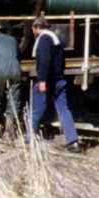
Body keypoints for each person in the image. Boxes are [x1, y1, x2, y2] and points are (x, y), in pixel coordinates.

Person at [28, 17, 81, 153]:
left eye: (32, 29)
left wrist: (42, 80)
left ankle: (29, 140)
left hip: (48, 81)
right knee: (64, 109)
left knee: (36, 109)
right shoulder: (56, 40)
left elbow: (44, 61)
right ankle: (73, 141)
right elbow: (62, 62)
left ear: (36, 27)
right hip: (59, 79)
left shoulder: (44, 40)